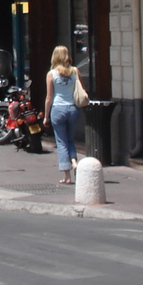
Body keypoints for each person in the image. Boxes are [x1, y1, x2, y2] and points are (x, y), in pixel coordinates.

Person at [45, 45, 86, 184]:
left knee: (61, 142)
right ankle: (74, 162)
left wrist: (46, 116)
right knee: (70, 140)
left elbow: (49, 97)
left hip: (58, 109)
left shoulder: (51, 74)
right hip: (73, 109)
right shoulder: (75, 71)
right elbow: (81, 89)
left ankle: (67, 175)